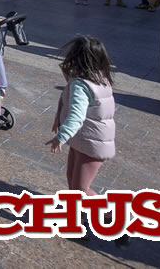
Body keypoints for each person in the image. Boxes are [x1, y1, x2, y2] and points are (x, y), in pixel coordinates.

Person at [46, 36, 116, 206]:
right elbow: (66, 101)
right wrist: (58, 118)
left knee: (80, 188)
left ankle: (111, 214)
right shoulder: (99, 77)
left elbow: (76, 115)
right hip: (84, 140)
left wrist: (61, 136)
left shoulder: (81, 85)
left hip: (91, 144)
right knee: (73, 181)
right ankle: (80, 212)